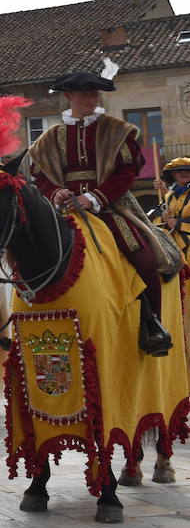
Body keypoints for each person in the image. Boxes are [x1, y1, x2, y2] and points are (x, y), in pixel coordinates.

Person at [29, 71, 177, 355]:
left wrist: (93, 197)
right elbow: (41, 176)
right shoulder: (51, 137)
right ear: (68, 96)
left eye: (94, 93)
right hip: (64, 210)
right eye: (83, 93)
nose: (89, 98)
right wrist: (55, 192)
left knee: (145, 257)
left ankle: (153, 326)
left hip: (111, 207)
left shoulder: (117, 129)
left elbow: (127, 173)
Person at [156, 156, 190, 264]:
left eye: (188, 171)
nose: (184, 173)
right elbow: (158, 211)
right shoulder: (169, 196)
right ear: (173, 175)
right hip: (172, 241)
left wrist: (178, 223)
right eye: (179, 171)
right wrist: (163, 216)